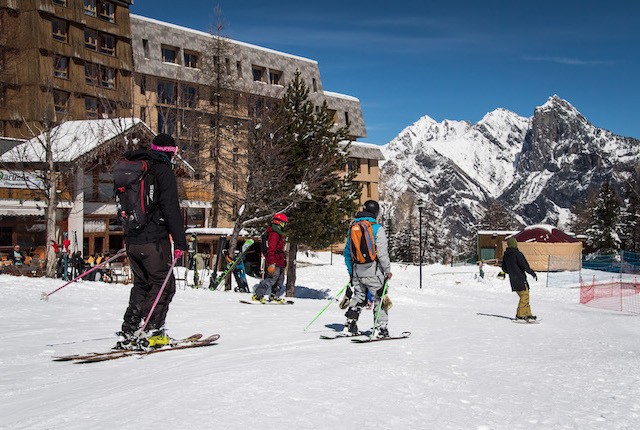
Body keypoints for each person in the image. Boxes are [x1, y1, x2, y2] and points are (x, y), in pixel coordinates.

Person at [115, 133, 188, 350]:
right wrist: (181, 242)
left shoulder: (135, 168)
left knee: (142, 284)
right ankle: (152, 331)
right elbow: (171, 209)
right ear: (171, 153)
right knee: (165, 286)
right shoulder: (162, 171)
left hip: (132, 239)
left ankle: (129, 330)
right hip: (154, 241)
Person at [342, 200, 393, 337]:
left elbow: (347, 253)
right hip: (373, 270)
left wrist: (351, 273)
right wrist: (387, 271)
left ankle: (350, 324)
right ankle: (381, 328)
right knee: (379, 298)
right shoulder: (377, 228)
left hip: (357, 269)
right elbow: (382, 253)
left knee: (359, 296)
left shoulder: (353, 227)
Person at [252, 213, 288, 303]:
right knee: (271, 279)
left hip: (279, 260)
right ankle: (258, 294)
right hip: (274, 260)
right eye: (284, 223)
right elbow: (271, 249)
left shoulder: (279, 233)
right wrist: (271, 262)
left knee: (280, 280)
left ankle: (274, 296)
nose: (284, 225)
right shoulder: (274, 233)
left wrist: (283, 260)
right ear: (279, 222)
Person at [501, 237, 537, 322]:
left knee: (525, 296)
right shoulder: (517, 254)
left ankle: (527, 314)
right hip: (520, 278)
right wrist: (532, 273)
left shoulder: (506, 255)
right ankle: (520, 315)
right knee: (524, 296)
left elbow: (504, 268)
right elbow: (525, 266)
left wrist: (512, 271)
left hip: (513, 280)